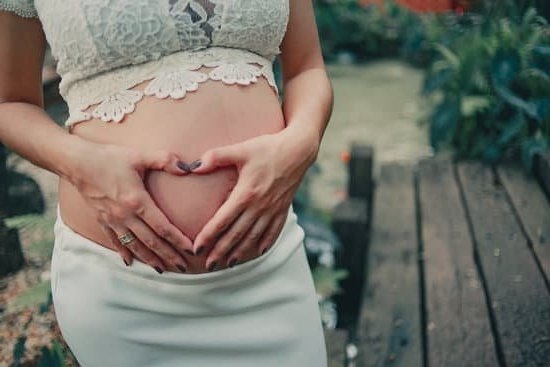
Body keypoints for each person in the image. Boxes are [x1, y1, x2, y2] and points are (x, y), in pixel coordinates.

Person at [0, 0, 333, 366]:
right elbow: (10, 103)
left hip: (271, 272)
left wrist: (302, 142)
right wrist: (83, 165)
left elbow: (307, 69)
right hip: (122, 291)